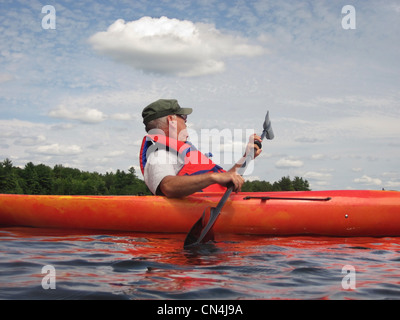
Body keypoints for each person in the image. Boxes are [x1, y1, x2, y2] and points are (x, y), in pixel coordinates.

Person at [139, 99, 262, 198]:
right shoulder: (159, 155)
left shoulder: (180, 154)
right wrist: (212, 177)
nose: (186, 123)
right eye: (183, 117)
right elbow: (167, 187)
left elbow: (228, 179)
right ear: (171, 120)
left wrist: (247, 156)